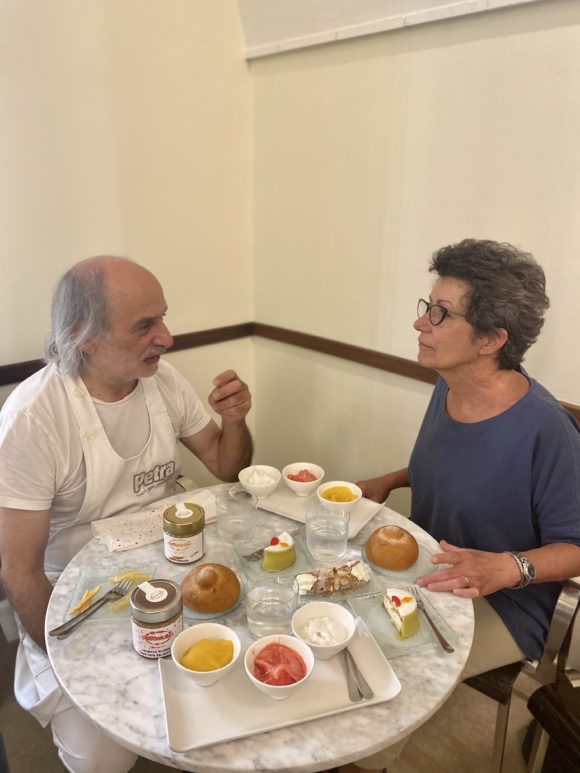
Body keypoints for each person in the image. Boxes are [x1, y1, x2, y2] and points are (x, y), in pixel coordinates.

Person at [0, 255, 253, 773]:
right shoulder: (33, 421)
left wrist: (236, 421)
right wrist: (74, 661)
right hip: (76, 595)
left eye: (162, 317)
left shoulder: (163, 381)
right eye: (145, 325)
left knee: (233, 687)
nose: (166, 337)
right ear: (83, 337)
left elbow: (229, 468)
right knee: (101, 759)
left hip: (171, 559)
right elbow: (19, 570)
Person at [346, 239, 580, 773]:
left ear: (492, 339)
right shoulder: (448, 385)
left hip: (505, 599)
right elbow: (463, 471)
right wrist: (391, 478)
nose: (420, 324)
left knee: (389, 678)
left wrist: (505, 567)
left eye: (441, 314)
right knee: (335, 621)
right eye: (427, 307)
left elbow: (577, 546)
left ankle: (362, 761)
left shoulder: (546, 429)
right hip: (431, 568)